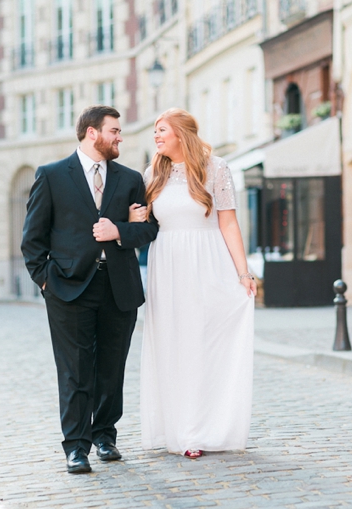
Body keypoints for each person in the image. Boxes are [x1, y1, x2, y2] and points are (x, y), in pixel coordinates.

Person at [21, 105, 158, 474]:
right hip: (67, 288)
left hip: (119, 286)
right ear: (92, 133)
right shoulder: (51, 176)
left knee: (112, 369)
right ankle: (76, 447)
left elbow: (148, 230)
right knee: (75, 370)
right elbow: (32, 239)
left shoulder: (130, 179)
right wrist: (46, 280)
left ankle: (105, 437)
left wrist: (120, 230)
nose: (120, 137)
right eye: (114, 130)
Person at [130, 108, 256, 458]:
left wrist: (243, 273)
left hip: (209, 261)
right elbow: (143, 222)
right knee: (174, 344)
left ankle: (204, 429)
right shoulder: (152, 172)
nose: (156, 137)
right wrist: (132, 217)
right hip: (167, 265)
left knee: (205, 344)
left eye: (162, 130)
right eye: (155, 131)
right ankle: (181, 431)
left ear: (181, 134)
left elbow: (229, 224)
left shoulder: (216, 168)